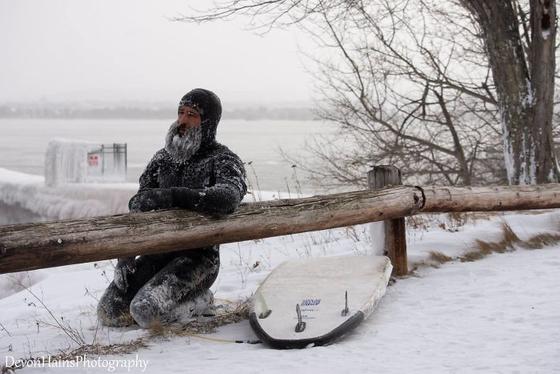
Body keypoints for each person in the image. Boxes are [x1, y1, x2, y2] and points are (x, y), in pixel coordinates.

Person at [97, 88, 247, 328]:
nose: (182, 121)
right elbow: (138, 206)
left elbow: (228, 197)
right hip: (158, 250)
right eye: (181, 113)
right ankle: (165, 300)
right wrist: (125, 257)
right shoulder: (162, 159)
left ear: (208, 122)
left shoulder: (222, 159)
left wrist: (172, 196)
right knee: (110, 311)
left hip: (198, 258)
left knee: (144, 311)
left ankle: (201, 302)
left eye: (192, 115)